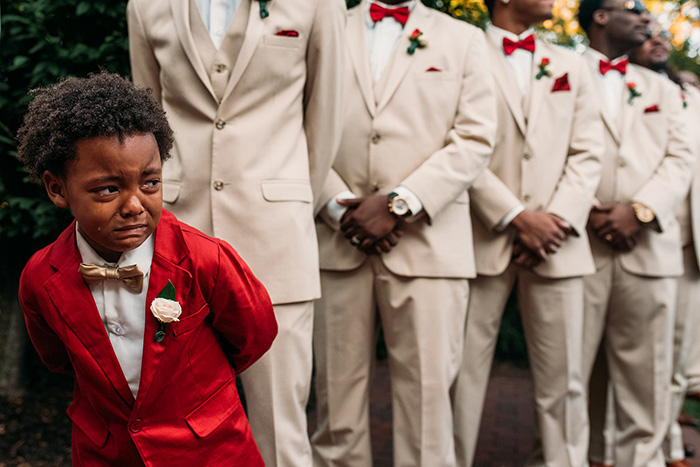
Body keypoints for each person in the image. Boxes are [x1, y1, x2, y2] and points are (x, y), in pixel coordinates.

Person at [16, 73, 278, 467]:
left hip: (208, 451)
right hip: (106, 453)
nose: (135, 204)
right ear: (57, 189)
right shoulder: (40, 277)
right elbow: (59, 359)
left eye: (150, 182)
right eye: (108, 189)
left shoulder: (206, 259)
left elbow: (254, 334)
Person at [126, 1, 345, 465]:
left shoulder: (318, 5)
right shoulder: (145, 6)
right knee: (175, 421)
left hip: (276, 238)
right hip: (176, 236)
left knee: (280, 427)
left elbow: (326, 115)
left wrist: (291, 195)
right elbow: (145, 124)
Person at [311, 1, 497, 465]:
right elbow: (298, 121)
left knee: (428, 409)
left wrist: (399, 204)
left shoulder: (464, 39)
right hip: (337, 239)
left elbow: (475, 138)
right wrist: (338, 207)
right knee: (336, 405)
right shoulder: (323, 25)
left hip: (429, 246)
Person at [450, 0, 604, 463]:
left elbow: (587, 152)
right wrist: (516, 216)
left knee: (566, 379)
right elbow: (456, 140)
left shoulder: (572, 65)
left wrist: (554, 221)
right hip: (481, 235)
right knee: (460, 373)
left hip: (558, 244)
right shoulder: (462, 49)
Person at [577, 1, 695, 465]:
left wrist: (640, 211)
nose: (647, 17)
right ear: (600, 16)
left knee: (646, 384)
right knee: (567, 381)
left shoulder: (664, 90)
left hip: (650, 250)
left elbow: (680, 159)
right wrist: (583, 210)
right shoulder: (559, 71)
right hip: (577, 246)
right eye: (634, 8)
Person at [627, 21, 700, 467]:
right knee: (642, 350)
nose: (657, 39)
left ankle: (668, 441)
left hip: (691, 242)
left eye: (662, 35)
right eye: (646, 33)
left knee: (678, 350)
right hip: (646, 233)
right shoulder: (625, 90)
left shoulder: (688, 93)